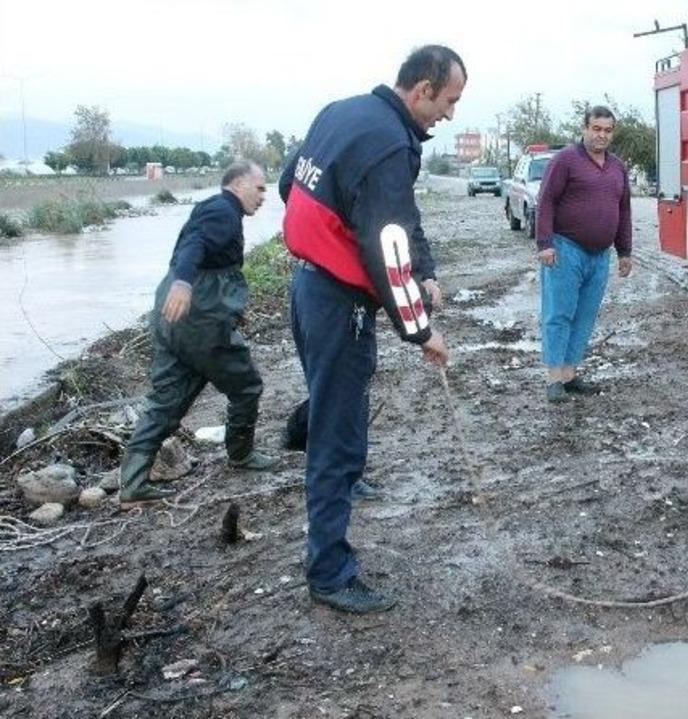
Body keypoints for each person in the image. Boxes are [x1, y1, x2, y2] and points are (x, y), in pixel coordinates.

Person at [279, 45, 462, 614]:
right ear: (423, 89)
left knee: (345, 398)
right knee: (333, 433)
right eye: (449, 101)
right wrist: (421, 331)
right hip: (337, 301)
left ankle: (342, 469)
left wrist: (425, 271)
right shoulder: (388, 145)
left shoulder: (342, 112)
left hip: (307, 288)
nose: (450, 114)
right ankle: (329, 573)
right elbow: (387, 249)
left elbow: (290, 185)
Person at [118, 160, 275, 509]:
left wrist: (232, 308)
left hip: (172, 316)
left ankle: (132, 484)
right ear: (238, 184)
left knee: (166, 400)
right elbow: (195, 244)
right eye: (260, 188)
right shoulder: (223, 211)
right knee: (246, 386)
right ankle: (241, 454)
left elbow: (212, 262)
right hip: (198, 316)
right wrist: (185, 284)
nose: (264, 196)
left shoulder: (214, 208)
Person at [535, 105, 633, 403]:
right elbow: (545, 201)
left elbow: (624, 210)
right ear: (585, 128)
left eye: (607, 130)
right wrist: (545, 243)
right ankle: (554, 380)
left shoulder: (617, 167)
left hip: (600, 256)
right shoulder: (565, 160)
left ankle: (569, 375)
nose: (602, 135)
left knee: (585, 316)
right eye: (596, 129)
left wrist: (625, 251)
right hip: (566, 250)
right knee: (559, 313)